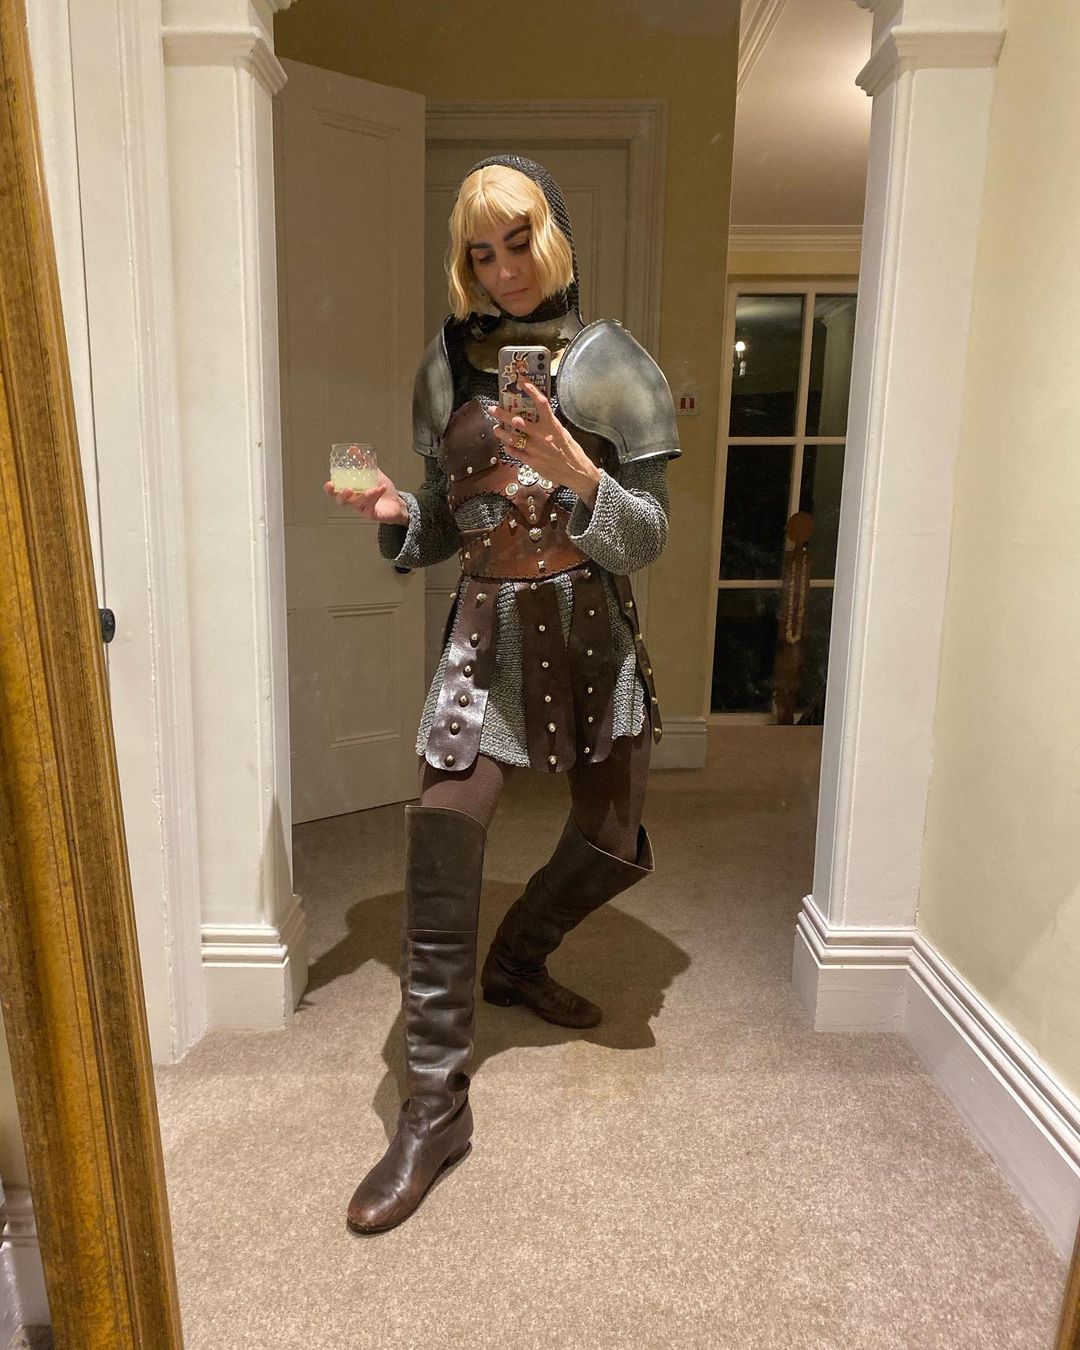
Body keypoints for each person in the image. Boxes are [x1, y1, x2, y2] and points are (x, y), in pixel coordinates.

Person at [323, 155, 680, 1236]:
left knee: (612, 840)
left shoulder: (616, 362)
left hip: (590, 627)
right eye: (481, 252)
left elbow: (646, 539)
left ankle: (518, 959)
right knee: (443, 828)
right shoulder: (444, 369)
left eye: (518, 243)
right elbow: (448, 521)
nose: (503, 270)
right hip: (486, 629)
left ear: (552, 239)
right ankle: (433, 1110)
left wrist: (580, 475)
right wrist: (397, 512)